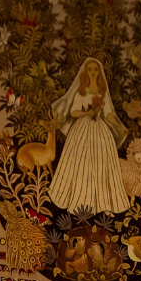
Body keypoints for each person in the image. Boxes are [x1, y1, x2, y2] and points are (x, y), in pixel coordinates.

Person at [47, 57, 129, 215]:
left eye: (95, 69)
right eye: (90, 69)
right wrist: (88, 113)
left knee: (101, 166)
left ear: (99, 72)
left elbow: (108, 113)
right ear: (85, 72)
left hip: (100, 130)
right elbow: (73, 112)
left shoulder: (102, 92)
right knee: (80, 165)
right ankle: (78, 203)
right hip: (82, 129)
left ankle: (103, 205)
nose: (92, 72)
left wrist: (118, 125)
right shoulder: (81, 92)